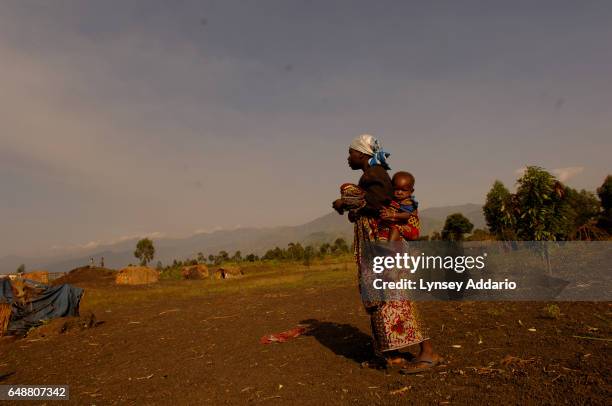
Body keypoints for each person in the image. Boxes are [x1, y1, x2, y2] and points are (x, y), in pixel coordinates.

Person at [332, 134, 440, 372]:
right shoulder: (371, 176)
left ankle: (427, 352)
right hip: (377, 247)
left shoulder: (375, 175)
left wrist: (347, 201)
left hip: (383, 249)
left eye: (350, 152)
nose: (348, 158)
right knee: (382, 301)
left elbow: (377, 203)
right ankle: (391, 354)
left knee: (396, 297)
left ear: (362, 154)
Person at [380, 171, 420, 241]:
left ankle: (390, 246)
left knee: (395, 228)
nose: (399, 192)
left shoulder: (408, 203)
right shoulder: (392, 201)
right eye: (396, 189)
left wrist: (393, 214)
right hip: (397, 224)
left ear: (411, 191)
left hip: (410, 229)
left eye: (403, 190)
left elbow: (407, 215)